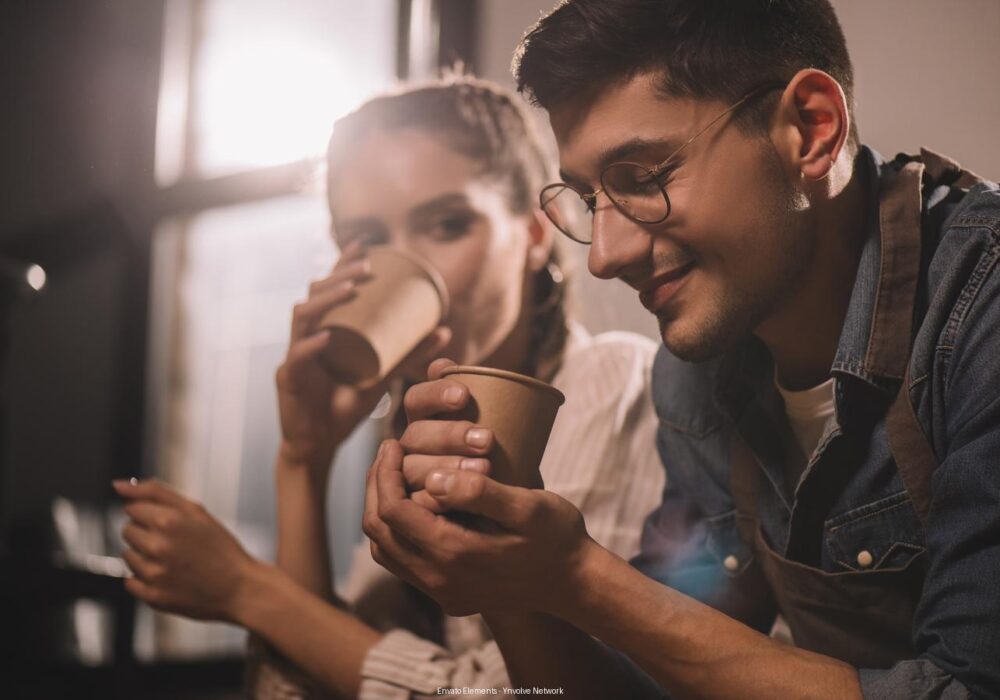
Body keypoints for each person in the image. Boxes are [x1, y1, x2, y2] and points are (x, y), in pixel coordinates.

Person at [360, 2, 1000, 699]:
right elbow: (656, 681)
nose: (604, 256)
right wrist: (509, 577)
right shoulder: (698, 377)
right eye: (586, 199)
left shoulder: (979, 311)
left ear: (811, 130)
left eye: (643, 176)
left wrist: (577, 576)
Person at [113, 74, 665, 699]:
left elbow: (521, 693)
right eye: (367, 239)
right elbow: (304, 686)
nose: (411, 265)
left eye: (449, 224)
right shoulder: (408, 435)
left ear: (535, 234)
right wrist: (304, 459)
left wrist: (247, 590)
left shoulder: (611, 384)